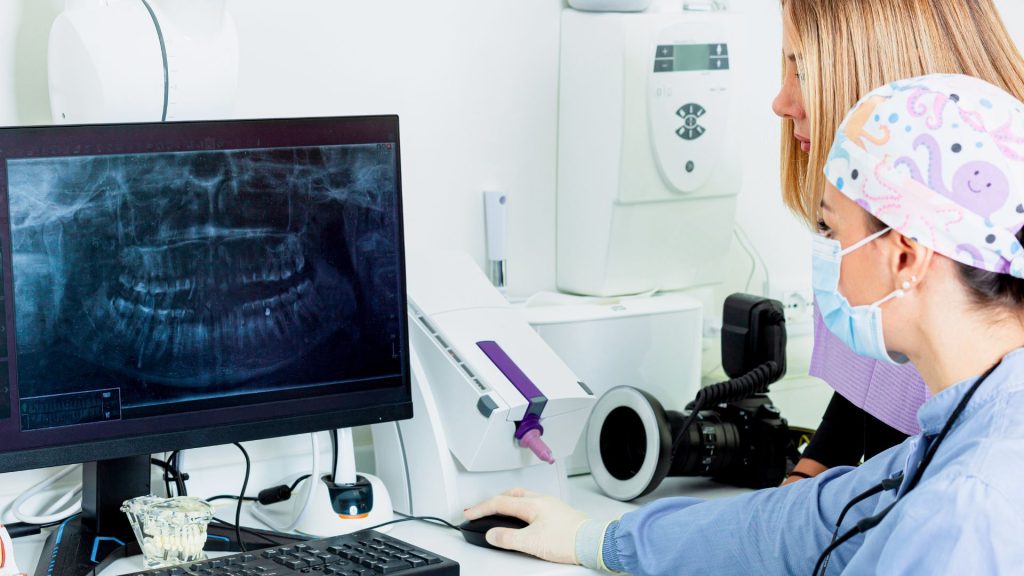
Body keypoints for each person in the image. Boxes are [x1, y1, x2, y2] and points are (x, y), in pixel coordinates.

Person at [466, 73, 1024, 574]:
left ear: (905, 257)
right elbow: (802, 524)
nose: (826, 256)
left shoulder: (966, 512)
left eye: (831, 231)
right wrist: (597, 540)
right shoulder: (972, 421)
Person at [771, 0, 1024, 484]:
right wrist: (808, 476)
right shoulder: (875, 238)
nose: (781, 102)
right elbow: (876, 383)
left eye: (801, 70)